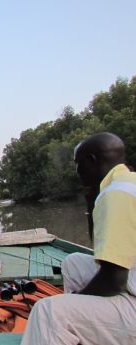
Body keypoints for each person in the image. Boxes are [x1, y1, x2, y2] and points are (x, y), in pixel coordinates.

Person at [21, 132, 136, 345]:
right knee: (72, 262)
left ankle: (67, 325)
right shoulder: (127, 184)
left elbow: (114, 282)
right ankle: (83, 331)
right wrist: (91, 199)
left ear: (92, 160)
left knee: (49, 312)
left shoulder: (115, 194)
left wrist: (74, 299)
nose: (76, 171)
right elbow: (101, 250)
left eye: (77, 164)